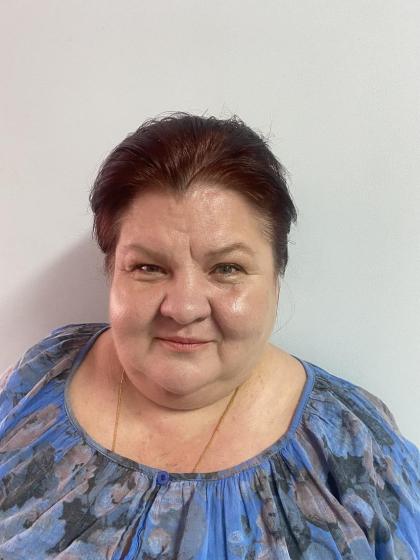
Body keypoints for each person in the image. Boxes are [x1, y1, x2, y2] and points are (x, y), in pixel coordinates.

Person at [0, 112, 418, 560]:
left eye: (227, 268)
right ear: (112, 274)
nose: (183, 308)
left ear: (276, 281)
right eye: (148, 267)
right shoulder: (41, 379)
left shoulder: (358, 452)